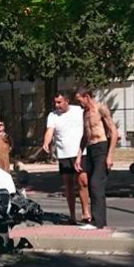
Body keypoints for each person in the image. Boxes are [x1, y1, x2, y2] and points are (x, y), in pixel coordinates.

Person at [43, 93, 90, 225]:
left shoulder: (78, 111)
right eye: (55, 102)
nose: (57, 105)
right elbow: (49, 131)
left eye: (59, 102)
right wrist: (46, 142)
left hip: (80, 152)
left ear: (67, 101)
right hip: (64, 154)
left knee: (83, 182)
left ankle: (86, 212)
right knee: (69, 185)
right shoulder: (52, 116)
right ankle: (72, 216)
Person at [75, 88, 118, 229]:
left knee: (95, 183)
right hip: (91, 149)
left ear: (86, 96)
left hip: (102, 148)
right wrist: (79, 156)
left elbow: (114, 132)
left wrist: (110, 155)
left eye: (79, 100)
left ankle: (97, 222)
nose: (79, 104)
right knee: (91, 184)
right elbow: (84, 136)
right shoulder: (84, 114)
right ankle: (98, 220)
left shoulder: (101, 109)